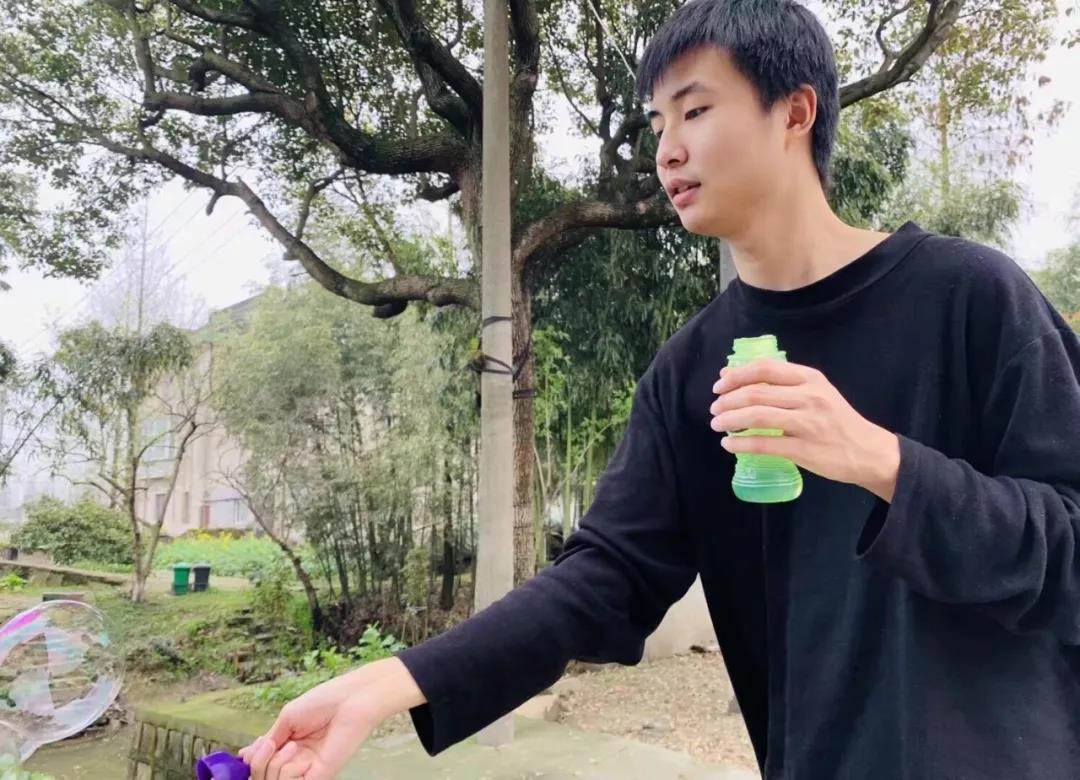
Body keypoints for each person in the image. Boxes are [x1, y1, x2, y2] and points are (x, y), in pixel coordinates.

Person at [240, 0, 1080, 777]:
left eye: (696, 110)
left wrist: (880, 461)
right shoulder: (689, 370)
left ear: (795, 111)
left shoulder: (972, 299)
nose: (667, 150)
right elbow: (605, 578)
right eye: (657, 123)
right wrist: (391, 682)